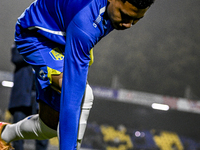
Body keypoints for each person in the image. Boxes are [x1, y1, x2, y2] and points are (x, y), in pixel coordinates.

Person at [0, 0, 155, 149]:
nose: (128, 24)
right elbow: (71, 102)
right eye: (125, 15)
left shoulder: (105, 13)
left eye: (136, 20)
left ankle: (3, 133)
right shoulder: (85, 23)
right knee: (83, 96)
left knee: (49, 126)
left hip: (64, 36)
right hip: (36, 36)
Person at [8, 43, 49, 150]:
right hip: (21, 97)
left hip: (41, 98)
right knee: (17, 135)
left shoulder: (49, 40)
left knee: (42, 136)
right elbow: (16, 57)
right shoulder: (20, 39)